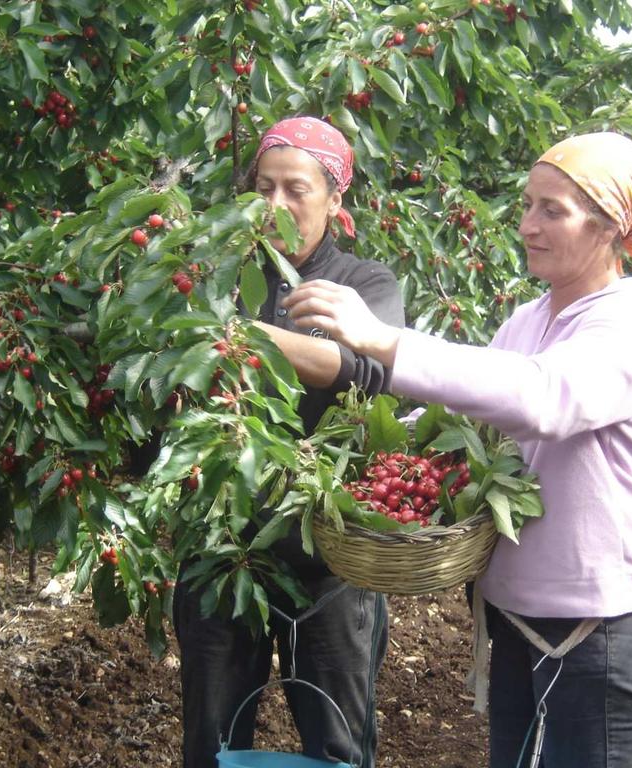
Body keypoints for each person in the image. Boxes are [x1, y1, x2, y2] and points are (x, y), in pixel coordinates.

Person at [283, 132, 632, 768]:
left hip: (602, 629)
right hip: (518, 617)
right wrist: (356, 453)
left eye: (553, 210)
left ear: (610, 225)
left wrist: (386, 342)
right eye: (528, 205)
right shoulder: (528, 319)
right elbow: (463, 416)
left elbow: (542, 398)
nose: (527, 225)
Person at [172, 117, 405, 768]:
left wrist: (240, 337)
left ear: (335, 200)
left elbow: (378, 373)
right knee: (212, 741)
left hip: (329, 559)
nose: (275, 204)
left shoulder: (363, 286)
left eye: (295, 189)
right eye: (263, 187)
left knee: (337, 741)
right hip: (223, 552)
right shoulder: (217, 274)